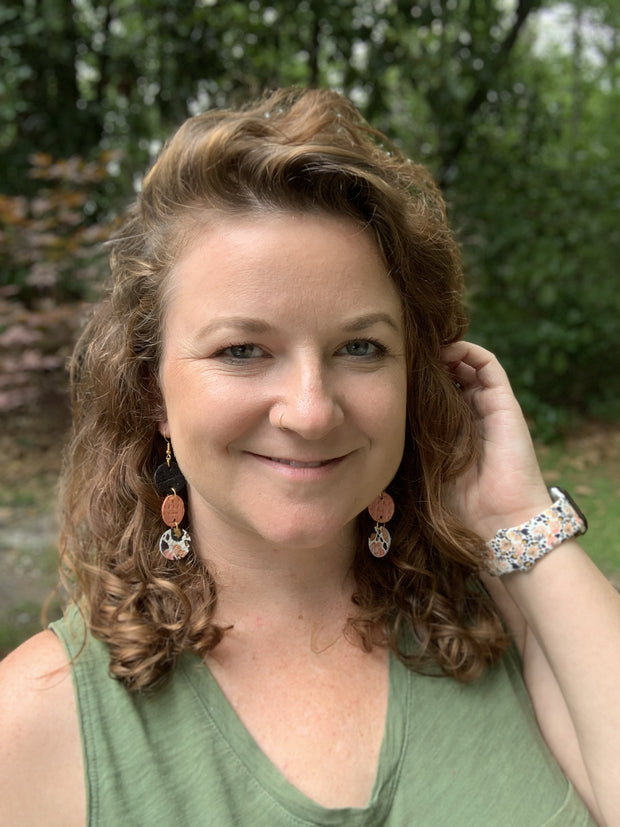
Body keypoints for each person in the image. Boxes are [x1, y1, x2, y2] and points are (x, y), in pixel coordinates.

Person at [0, 87, 618, 827]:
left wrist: (517, 517)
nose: (312, 408)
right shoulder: (36, 721)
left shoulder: (520, 619)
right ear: (151, 389)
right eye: (242, 350)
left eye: (360, 347)